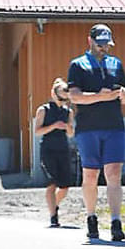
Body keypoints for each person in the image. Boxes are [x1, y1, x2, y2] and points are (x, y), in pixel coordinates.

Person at [66, 24, 125, 242]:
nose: (105, 48)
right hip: (88, 128)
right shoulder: (77, 65)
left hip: (114, 126)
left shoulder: (116, 64)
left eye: (107, 45)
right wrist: (100, 96)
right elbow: (74, 96)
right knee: (91, 175)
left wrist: (124, 95)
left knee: (114, 173)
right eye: (100, 44)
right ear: (90, 41)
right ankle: (91, 217)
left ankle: (115, 221)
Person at [34, 77, 76, 227]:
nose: (63, 101)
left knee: (64, 186)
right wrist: (53, 126)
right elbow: (37, 131)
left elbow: (71, 134)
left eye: (65, 99)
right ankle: (53, 217)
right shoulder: (43, 110)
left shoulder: (68, 112)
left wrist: (68, 128)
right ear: (54, 94)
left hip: (63, 149)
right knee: (51, 183)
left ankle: (54, 206)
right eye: (60, 97)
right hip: (48, 149)